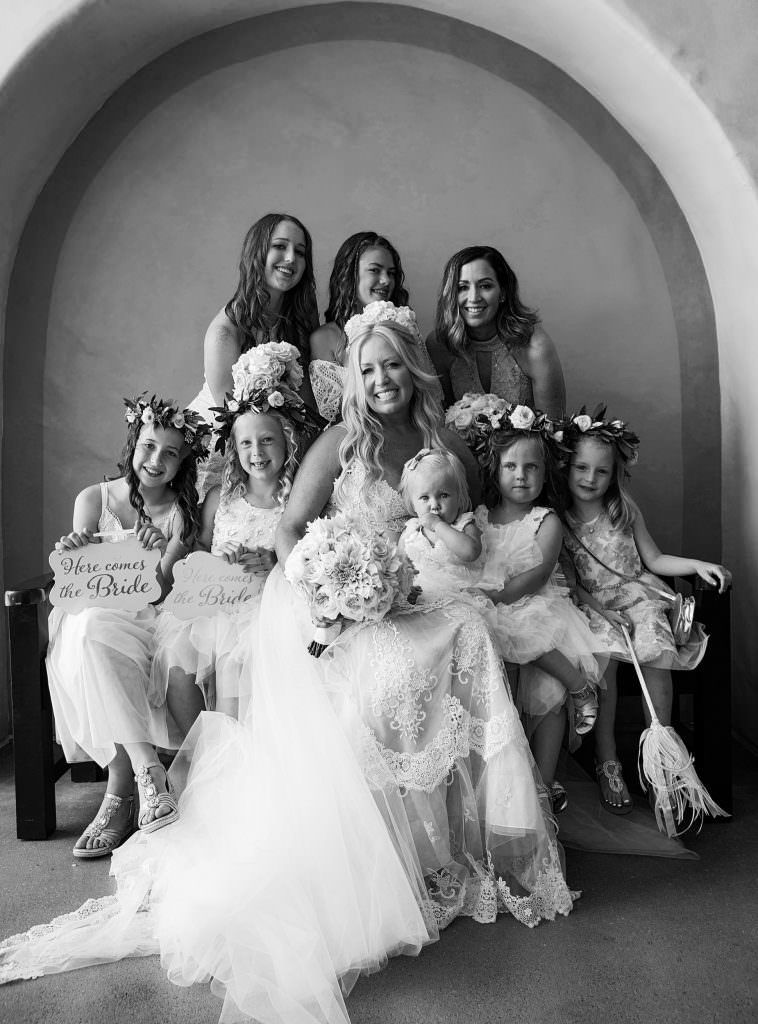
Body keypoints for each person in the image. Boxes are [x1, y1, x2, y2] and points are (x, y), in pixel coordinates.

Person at [0, 307, 573, 1024]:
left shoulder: (445, 438)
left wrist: (436, 573)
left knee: (472, 637)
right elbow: (289, 530)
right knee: (386, 666)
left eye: (393, 364)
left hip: (424, 594)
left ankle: (471, 844)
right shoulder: (340, 441)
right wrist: (337, 587)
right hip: (340, 601)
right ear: (354, 382)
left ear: (414, 369)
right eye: (367, 369)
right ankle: (394, 852)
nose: (382, 379)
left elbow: (471, 527)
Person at [46, 394, 211, 857]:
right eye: (148, 446)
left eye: (171, 453)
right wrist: (75, 549)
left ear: (183, 464)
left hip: (150, 620)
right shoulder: (92, 499)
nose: (156, 460)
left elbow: (158, 594)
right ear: (132, 444)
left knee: (101, 634)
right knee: (93, 628)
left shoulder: (182, 513)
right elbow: (74, 583)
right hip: (91, 615)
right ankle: (144, 770)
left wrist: (162, 552)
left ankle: (120, 790)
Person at [561, 412, 730, 815]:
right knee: (604, 665)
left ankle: (664, 758)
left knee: (655, 650)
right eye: (581, 468)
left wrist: (694, 565)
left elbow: (653, 559)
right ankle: (608, 759)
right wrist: (600, 608)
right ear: (566, 467)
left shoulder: (624, 509)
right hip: (596, 607)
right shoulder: (559, 521)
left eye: (601, 471)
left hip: (638, 597)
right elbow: (572, 583)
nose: (590, 478)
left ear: (614, 474)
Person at [448, 401, 602, 810]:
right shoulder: (478, 517)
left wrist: (498, 598)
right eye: (511, 466)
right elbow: (467, 558)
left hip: (532, 602)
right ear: (495, 471)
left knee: (546, 691)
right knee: (502, 681)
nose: (521, 475)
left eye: (531, 467)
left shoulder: (545, 519)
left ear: (544, 472)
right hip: (488, 603)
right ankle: (508, 782)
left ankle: (547, 779)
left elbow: (538, 573)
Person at [152, 343, 311, 727]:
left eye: (267, 440)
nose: (256, 452)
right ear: (234, 449)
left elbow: (310, 550)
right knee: (175, 650)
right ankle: (199, 754)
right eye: (245, 443)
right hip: (219, 603)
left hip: (270, 605)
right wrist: (215, 561)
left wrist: (276, 560)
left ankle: (244, 759)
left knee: (245, 660)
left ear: (287, 442)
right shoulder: (219, 499)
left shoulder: (299, 499)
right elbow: (199, 551)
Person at [190, 213, 319, 494]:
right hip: (219, 445)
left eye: (300, 252)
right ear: (258, 252)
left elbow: (308, 404)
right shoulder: (226, 329)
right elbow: (232, 415)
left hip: (273, 447)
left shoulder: (299, 322)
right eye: (280, 247)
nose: (291, 259)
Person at [309, 231, 441, 421]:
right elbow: (332, 416)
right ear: (349, 275)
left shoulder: (404, 325)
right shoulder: (326, 338)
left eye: (391, 273)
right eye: (375, 270)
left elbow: (429, 397)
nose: (386, 280)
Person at [427, 245, 565, 416]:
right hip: (461, 443)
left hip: (532, 442)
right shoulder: (440, 344)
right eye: (462, 287)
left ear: (503, 292)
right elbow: (442, 421)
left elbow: (554, 429)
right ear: (451, 294)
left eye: (485, 286)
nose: (474, 298)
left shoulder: (535, 345)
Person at [397, 446, 483, 602]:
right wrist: (405, 588)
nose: (434, 504)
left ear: (459, 497)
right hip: (423, 599)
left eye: (443, 495)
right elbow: (400, 566)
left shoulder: (464, 524)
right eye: (424, 498)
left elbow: (471, 552)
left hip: (460, 597)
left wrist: (438, 525)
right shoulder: (411, 530)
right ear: (412, 504)